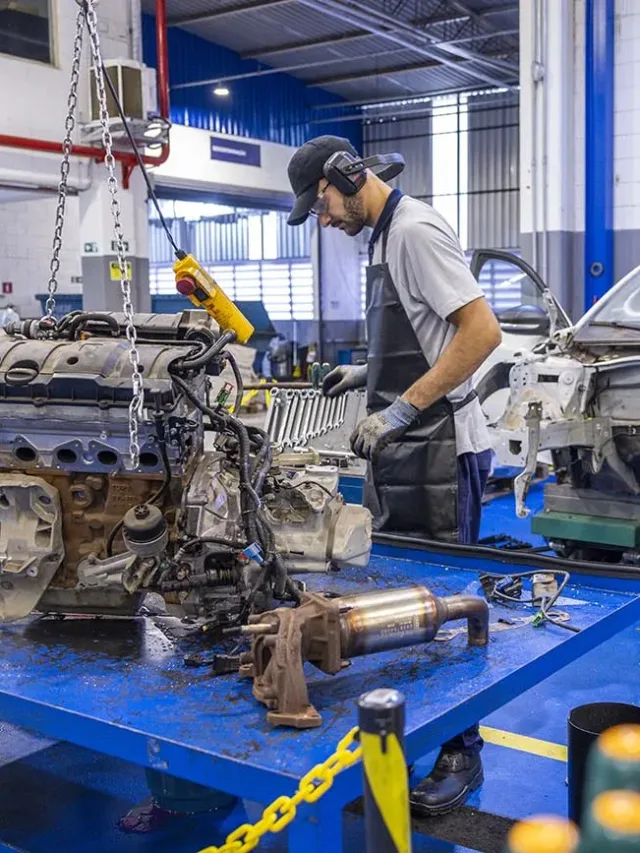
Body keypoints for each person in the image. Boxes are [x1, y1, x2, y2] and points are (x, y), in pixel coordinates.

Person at [286, 135, 502, 816]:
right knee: (410, 597)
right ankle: (426, 728)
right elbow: (420, 333)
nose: (322, 220)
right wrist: (367, 375)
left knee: (448, 598)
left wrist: (402, 405)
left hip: (445, 448)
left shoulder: (413, 233)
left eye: (319, 205)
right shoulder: (380, 237)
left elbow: (480, 332)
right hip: (411, 447)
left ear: (345, 177)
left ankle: (462, 752)